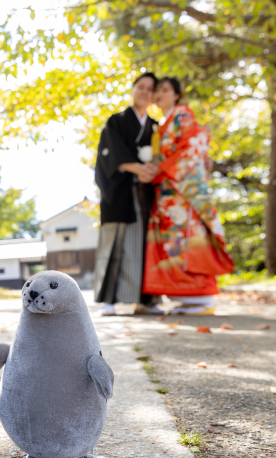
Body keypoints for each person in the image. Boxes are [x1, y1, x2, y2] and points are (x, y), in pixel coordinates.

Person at [141, 77, 234, 315]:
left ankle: (203, 297)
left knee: (188, 241)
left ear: (177, 95)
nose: (159, 94)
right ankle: (187, 297)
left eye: (165, 90)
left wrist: (162, 169)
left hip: (182, 192)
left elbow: (194, 144)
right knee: (172, 246)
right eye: (157, 90)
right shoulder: (162, 123)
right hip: (168, 192)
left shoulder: (182, 114)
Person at [93, 72, 161, 315]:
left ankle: (145, 301)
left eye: (150, 89)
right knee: (115, 245)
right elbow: (112, 152)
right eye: (141, 86)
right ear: (133, 89)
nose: (145, 92)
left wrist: (151, 171)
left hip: (146, 194)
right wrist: (138, 168)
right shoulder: (116, 121)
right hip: (120, 191)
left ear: (154, 95)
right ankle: (109, 301)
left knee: (145, 245)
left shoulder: (155, 126)